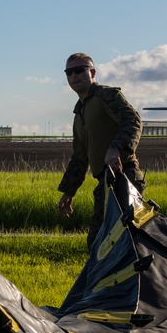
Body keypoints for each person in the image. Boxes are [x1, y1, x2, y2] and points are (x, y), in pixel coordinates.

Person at [57, 53, 145, 252]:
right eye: (69, 72)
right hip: (105, 183)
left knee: (122, 242)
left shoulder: (106, 95)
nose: (74, 76)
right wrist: (69, 191)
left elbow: (133, 119)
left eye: (80, 70)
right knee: (99, 243)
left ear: (92, 72)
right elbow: (79, 157)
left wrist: (116, 147)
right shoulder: (79, 114)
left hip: (125, 178)